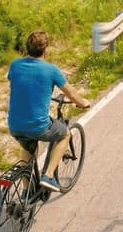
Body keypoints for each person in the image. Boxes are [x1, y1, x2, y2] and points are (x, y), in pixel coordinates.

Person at [7, 30, 90, 192]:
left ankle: (26, 192)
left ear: (27, 48)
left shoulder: (15, 65)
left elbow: (18, 80)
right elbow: (71, 93)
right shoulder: (51, 70)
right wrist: (84, 103)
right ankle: (49, 176)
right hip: (38, 126)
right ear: (45, 50)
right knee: (65, 133)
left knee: (27, 148)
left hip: (14, 125)